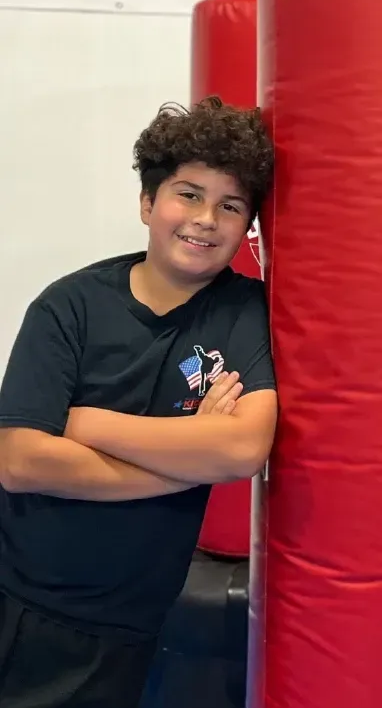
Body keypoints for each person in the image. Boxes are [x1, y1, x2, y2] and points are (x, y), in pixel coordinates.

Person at [0, 96, 278, 708]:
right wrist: (183, 462)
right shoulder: (68, 307)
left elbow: (240, 448)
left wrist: (87, 423)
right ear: (149, 203)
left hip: (131, 621)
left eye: (230, 206)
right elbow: (21, 462)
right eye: (188, 194)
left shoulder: (246, 315)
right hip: (20, 598)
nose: (206, 218)